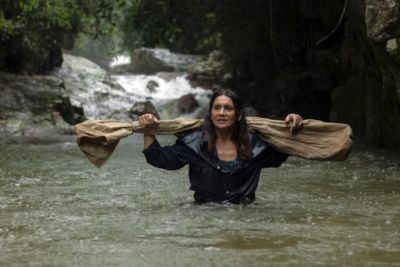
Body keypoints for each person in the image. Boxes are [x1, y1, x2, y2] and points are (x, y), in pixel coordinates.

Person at [138, 88, 303, 205]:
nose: (222, 112)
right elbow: (157, 157)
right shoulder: (193, 144)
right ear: (210, 114)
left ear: (238, 115)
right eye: (217, 108)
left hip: (247, 216)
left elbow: (285, 148)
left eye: (228, 108)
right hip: (205, 218)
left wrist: (291, 124)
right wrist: (148, 129)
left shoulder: (257, 146)